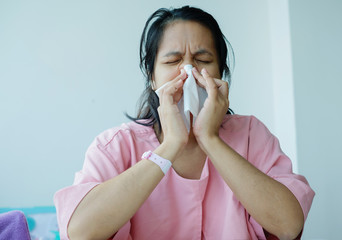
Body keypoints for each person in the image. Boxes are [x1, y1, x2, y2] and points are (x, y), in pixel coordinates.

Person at [54, 6, 314, 240]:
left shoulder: (251, 135)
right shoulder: (116, 145)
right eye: (172, 61)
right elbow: (81, 232)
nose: (188, 71)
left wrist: (210, 139)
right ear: (152, 78)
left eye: (203, 60)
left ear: (221, 74)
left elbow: (288, 226)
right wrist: (171, 145)